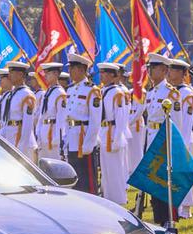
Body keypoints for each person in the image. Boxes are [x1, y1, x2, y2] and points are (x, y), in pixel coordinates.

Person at [130, 53, 182, 225]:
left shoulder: (171, 93)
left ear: (164, 70)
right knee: (154, 184)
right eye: (149, 68)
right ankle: (159, 219)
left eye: (153, 68)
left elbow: (177, 124)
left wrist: (172, 148)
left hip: (164, 141)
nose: (150, 71)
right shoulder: (151, 93)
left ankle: (169, 219)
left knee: (164, 184)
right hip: (151, 139)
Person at [62, 53, 101, 194]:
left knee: (88, 181)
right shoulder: (70, 90)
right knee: (75, 178)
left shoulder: (92, 90)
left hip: (83, 140)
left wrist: (88, 145)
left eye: (72, 68)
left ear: (81, 69)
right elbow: (68, 117)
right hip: (72, 138)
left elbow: (95, 120)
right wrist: (65, 140)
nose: (69, 71)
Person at [169, 59, 193, 218]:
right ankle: (176, 206)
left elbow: (186, 121)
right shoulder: (173, 91)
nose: (170, 73)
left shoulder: (187, 93)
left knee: (183, 173)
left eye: (174, 70)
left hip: (183, 138)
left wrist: (181, 141)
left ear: (182, 73)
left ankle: (186, 209)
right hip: (174, 138)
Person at [97, 62, 129, 205]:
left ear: (112, 75)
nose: (101, 76)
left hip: (113, 132)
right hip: (104, 132)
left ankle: (119, 200)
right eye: (101, 73)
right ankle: (109, 199)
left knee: (115, 170)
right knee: (106, 171)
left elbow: (121, 117)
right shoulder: (102, 91)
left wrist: (117, 138)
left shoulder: (117, 92)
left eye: (104, 73)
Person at [0, 62, 37, 159]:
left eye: (12, 72)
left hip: (22, 143)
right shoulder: (11, 94)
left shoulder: (27, 94)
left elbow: (27, 125)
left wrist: (21, 149)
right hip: (10, 138)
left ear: (20, 75)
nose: (9, 75)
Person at [36, 63, 66, 160]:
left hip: (53, 134)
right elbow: (41, 115)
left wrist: (58, 139)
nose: (45, 76)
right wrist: (38, 133)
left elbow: (61, 118)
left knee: (55, 164)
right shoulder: (47, 92)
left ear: (56, 74)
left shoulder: (60, 93)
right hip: (44, 132)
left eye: (48, 73)